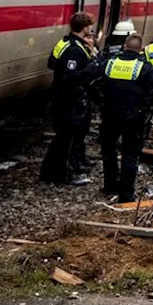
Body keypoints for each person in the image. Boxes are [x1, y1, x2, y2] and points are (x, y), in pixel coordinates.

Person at [97, 34, 153, 202]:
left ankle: (110, 185)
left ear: (124, 47)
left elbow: (91, 81)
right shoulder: (145, 67)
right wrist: (152, 109)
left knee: (109, 151)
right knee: (130, 155)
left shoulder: (109, 63)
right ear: (140, 49)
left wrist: (100, 102)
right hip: (135, 117)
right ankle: (126, 195)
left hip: (110, 114)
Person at [42, 12, 98, 185]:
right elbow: (72, 77)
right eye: (90, 25)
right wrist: (92, 67)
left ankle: (51, 172)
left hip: (62, 96)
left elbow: (51, 63)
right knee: (66, 138)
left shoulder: (64, 43)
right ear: (85, 27)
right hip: (69, 99)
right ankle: (63, 174)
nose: (92, 29)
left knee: (64, 137)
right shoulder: (75, 49)